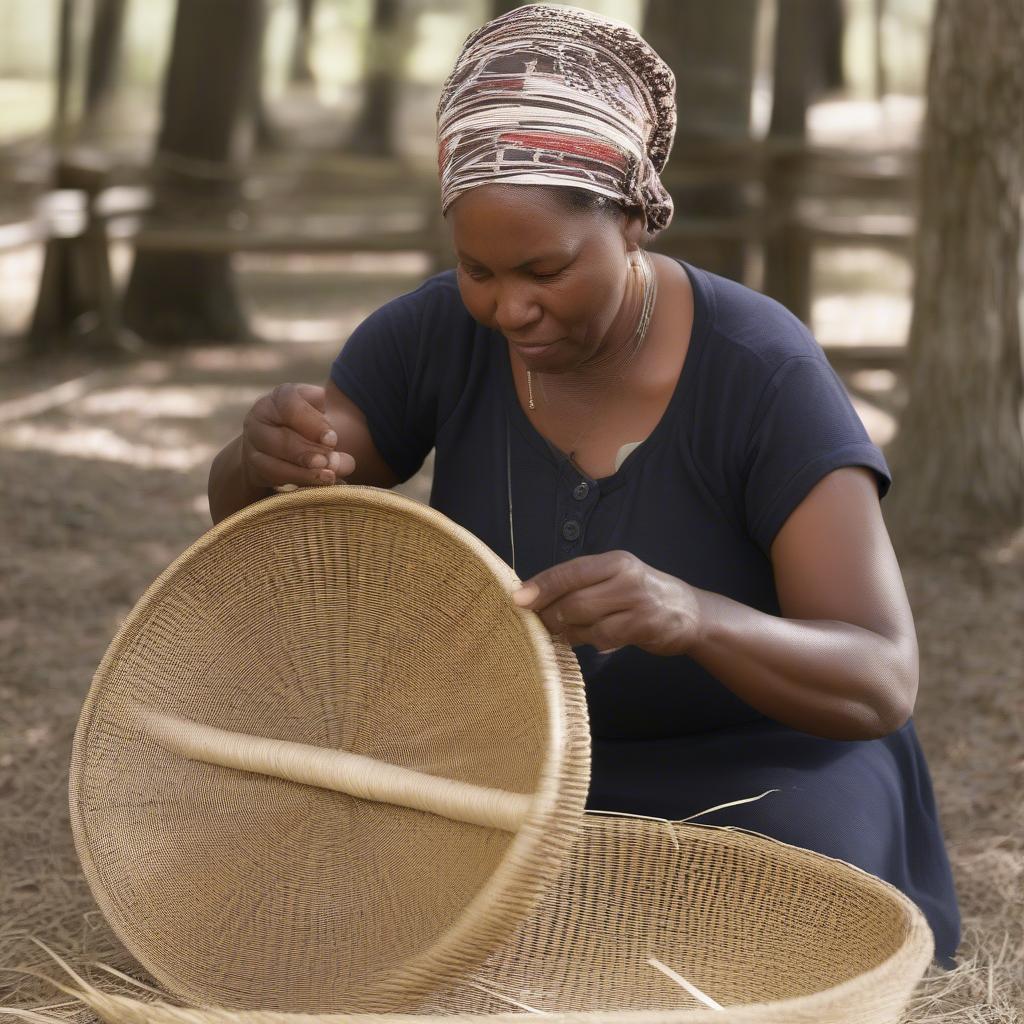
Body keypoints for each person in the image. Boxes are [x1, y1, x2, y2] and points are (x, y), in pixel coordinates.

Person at [208, 3, 960, 968]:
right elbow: (288, 507)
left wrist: (694, 615)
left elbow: (880, 681)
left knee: (787, 910)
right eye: (477, 269)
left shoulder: (762, 370)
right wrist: (255, 458)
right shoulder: (437, 334)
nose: (509, 307)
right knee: (319, 880)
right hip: (518, 764)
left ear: (637, 217)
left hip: (766, 767)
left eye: (546, 269)